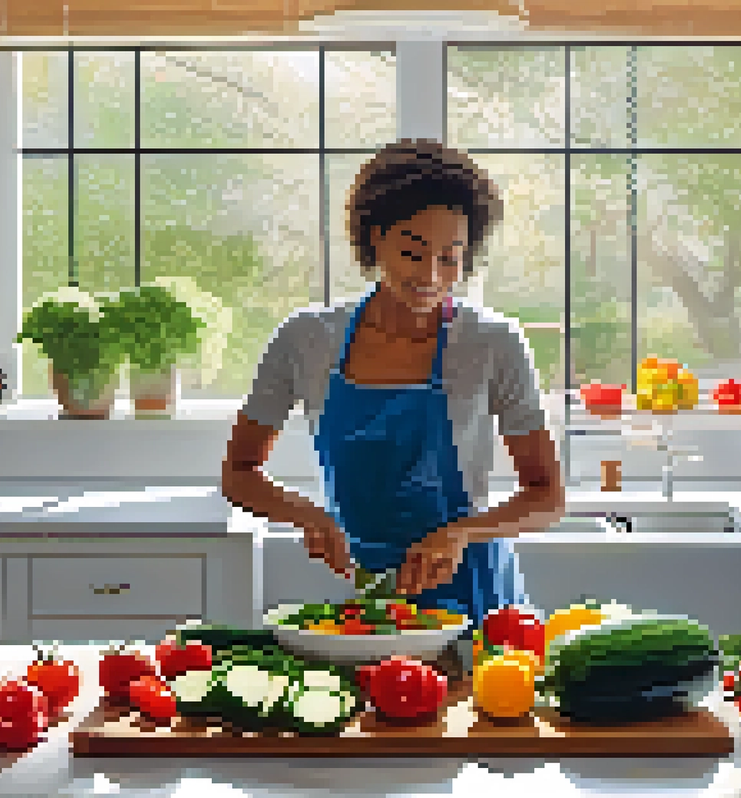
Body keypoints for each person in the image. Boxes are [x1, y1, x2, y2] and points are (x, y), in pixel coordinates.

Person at [220, 137, 566, 645]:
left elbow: (548, 495)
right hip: (371, 606)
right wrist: (308, 515)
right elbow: (239, 473)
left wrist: (461, 533)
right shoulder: (307, 339)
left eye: (451, 258)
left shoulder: (493, 342)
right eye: (412, 251)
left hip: (477, 600)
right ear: (373, 237)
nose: (431, 276)